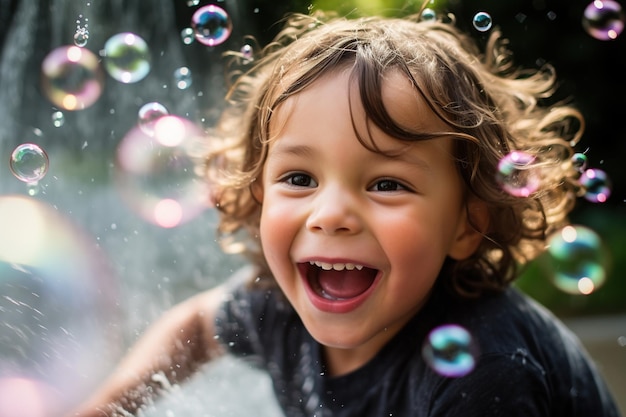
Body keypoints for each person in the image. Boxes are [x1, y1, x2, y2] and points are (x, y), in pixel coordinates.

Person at [73, 9, 621, 417]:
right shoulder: (277, 310)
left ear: (468, 223)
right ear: (257, 193)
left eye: (386, 183)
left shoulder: (485, 374)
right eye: (299, 179)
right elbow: (194, 327)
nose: (330, 214)